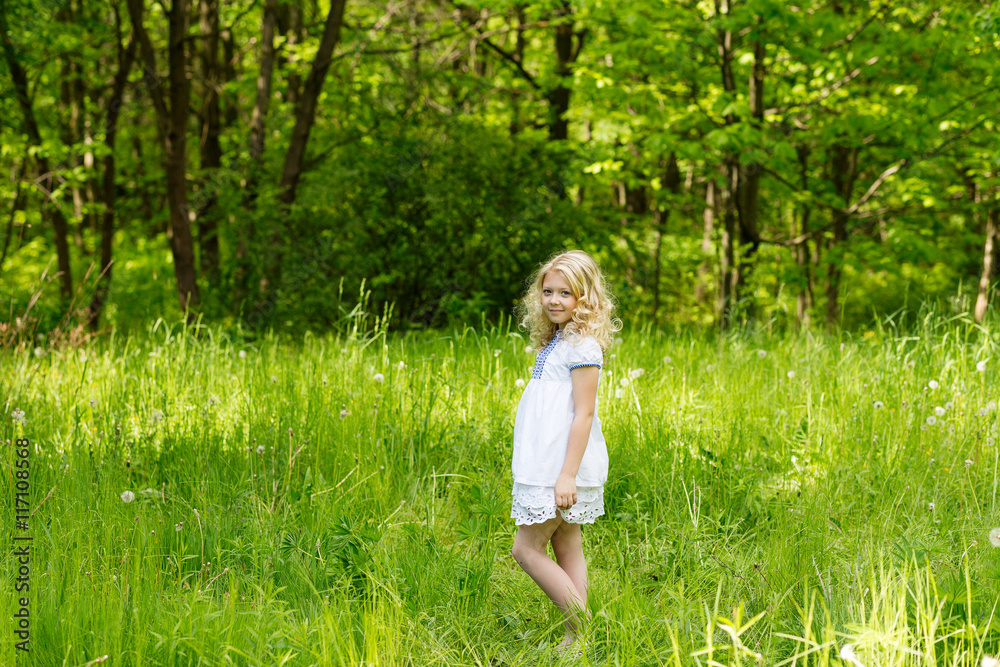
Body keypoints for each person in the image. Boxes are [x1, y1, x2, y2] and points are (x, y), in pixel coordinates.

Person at [509, 249, 622, 654]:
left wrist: (566, 475)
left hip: (561, 467)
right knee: (567, 542)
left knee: (525, 549)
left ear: (585, 298)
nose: (554, 300)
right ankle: (575, 640)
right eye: (548, 291)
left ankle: (584, 627)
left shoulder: (583, 346)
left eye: (566, 293)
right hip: (546, 461)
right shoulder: (559, 340)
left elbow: (584, 413)